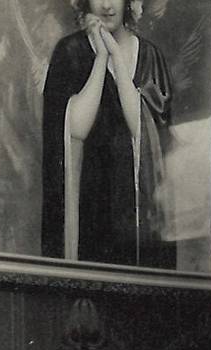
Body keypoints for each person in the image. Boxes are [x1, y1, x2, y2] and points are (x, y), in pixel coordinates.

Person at [42, 0, 175, 269]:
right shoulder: (70, 51)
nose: (106, 5)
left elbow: (145, 132)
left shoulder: (150, 56)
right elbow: (75, 129)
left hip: (136, 209)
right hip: (88, 203)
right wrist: (101, 58)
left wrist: (116, 53)